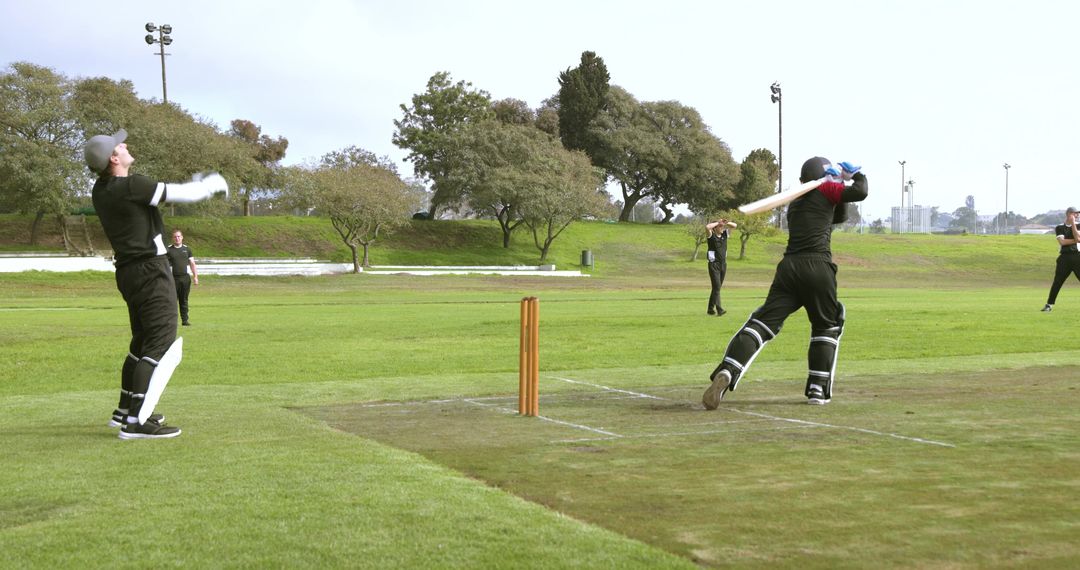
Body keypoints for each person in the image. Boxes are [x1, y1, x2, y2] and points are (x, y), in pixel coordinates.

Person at [85, 128, 227, 439]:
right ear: (113, 158)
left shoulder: (101, 189)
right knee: (162, 342)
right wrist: (212, 184)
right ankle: (137, 422)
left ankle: (125, 410)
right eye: (120, 145)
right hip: (150, 270)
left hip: (128, 272)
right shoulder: (131, 185)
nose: (125, 145)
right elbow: (186, 194)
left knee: (141, 343)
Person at [703, 157, 868, 408]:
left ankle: (728, 369)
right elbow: (861, 193)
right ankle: (816, 388)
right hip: (817, 266)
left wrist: (837, 185)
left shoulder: (796, 202)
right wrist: (856, 176)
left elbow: (838, 214)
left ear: (802, 180)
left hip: (789, 269)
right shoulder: (825, 190)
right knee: (828, 324)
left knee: (762, 322)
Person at [1041, 206, 1080, 312]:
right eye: (1075, 213)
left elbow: (1078, 238)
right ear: (1069, 214)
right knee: (1057, 282)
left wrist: (1073, 225)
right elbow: (1062, 242)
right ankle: (1049, 305)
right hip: (1064, 258)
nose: (1077, 215)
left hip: (1078, 257)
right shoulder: (1059, 227)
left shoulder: (1079, 225)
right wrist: (1076, 240)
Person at [705, 218, 738, 316]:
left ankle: (710, 309)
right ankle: (719, 309)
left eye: (722, 226)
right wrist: (717, 222)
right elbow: (707, 227)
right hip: (714, 264)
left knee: (716, 288)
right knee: (717, 287)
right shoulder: (711, 236)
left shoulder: (724, 235)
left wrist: (726, 222)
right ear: (715, 228)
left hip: (723, 265)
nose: (722, 227)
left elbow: (735, 226)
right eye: (720, 226)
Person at [166, 229, 198, 326]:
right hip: (172, 279)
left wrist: (195, 276)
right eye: (175, 237)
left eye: (179, 236)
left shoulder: (187, 249)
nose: (177, 238)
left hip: (185, 279)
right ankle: (171, 322)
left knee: (184, 300)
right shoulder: (168, 250)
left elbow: (192, 263)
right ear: (172, 238)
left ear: (182, 237)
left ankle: (185, 320)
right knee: (172, 301)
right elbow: (163, 264)